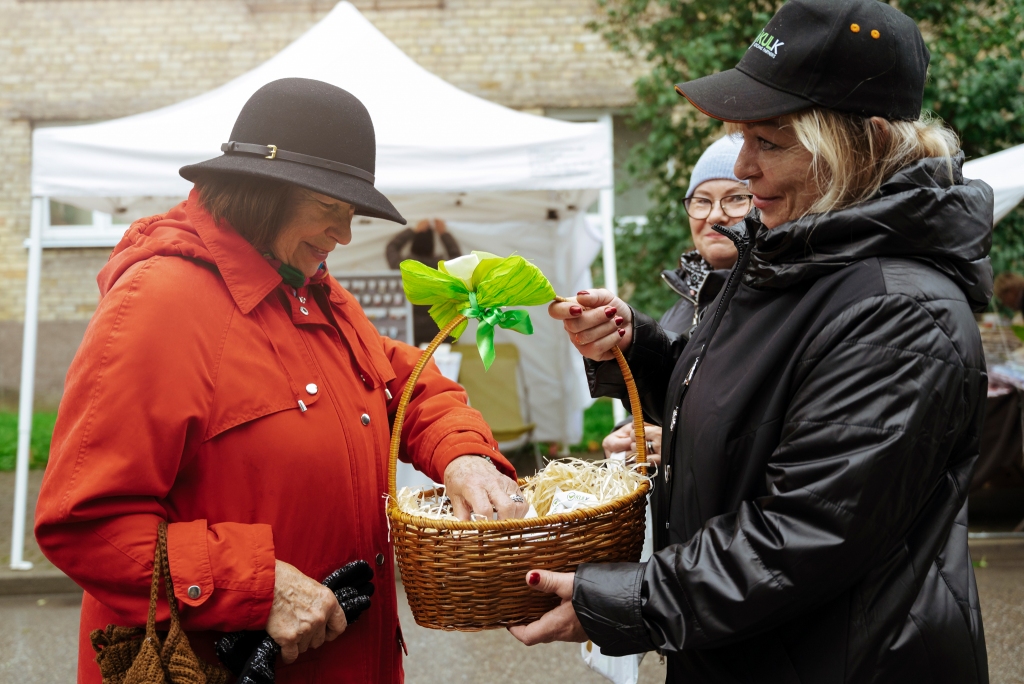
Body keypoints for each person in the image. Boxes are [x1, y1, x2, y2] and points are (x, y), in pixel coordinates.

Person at [515, 2, 994, 682]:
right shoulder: (796, 260)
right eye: (743, 138)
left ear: (866, 141)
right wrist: (636, 351)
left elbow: (805, 535)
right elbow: (750, 415)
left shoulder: (901, 312)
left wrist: (621, 599)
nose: (742, 168)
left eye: (769, 142)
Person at [35, 78, 528, 684]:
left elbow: (405, 381)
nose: (344, 235)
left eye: (352, 213)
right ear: (261, 193)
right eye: (331, 208)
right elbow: (85, 523)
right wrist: (257, 586)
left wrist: (463, 456)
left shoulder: (307, 288)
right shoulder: (158, 301)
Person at [602, 135, 747, 464]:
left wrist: (675, 445)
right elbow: (672, 399)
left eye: (736, 198)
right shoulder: (685, 300)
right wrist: (631, 432)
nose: (715, 216)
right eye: (701, 200)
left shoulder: (768, 300)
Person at [386, 218, 462, 344]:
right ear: (433, 246)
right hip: (442, 330)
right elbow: (457, 257)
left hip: (413, 331)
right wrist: (444, 234)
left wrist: (413, 230)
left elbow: (391, 248)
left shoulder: (405, 268)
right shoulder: (442, 269)